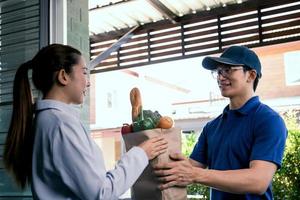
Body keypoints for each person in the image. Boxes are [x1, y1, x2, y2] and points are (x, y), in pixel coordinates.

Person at [4, 44, 168, 200]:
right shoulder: (61, 125)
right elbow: (100, 194)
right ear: (63, 76)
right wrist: (141, 153)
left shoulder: (44, 120)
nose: (88, 82)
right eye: (84, 72)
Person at [154, 45, 287, 199]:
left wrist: (195, 174)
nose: (221, 77)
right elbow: (190, 168)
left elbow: (258, 181)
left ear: (250, 75)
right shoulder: (212, 127)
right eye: (218, 71)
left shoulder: (269, 121)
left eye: (228, 70)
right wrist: (151, 155)